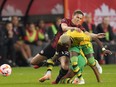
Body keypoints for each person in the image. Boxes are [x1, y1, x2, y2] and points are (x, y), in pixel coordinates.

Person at [31, 10, 85, 82]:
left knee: (65, 67)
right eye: (77, 17)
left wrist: (96, 36)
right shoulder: (65, 20)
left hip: (64, 50)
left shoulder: (80, 28)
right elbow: (64, 28)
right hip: (53, 46)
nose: (78, 19)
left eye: (80, 18)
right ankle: (46, 62)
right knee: (33, 62)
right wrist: (73, 28)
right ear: (73, 16)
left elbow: (87, 35)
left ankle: (56, 79)